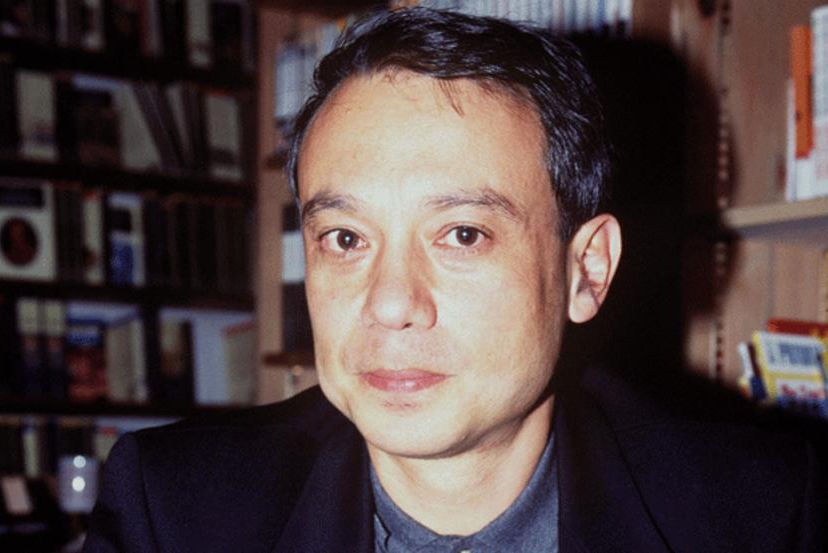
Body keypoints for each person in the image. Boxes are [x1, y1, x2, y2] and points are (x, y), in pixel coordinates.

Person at [83, 8, 825, 552]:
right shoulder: (174, 512)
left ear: (586, 269)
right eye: (345, 239)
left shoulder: (759, 514)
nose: (390, 303)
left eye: (463, 234)